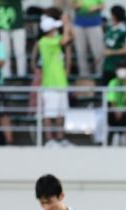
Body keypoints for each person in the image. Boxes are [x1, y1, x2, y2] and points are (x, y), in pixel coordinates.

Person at [31, 14, 73, 147]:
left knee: (61, 113)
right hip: (50, 83)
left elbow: (69, 37)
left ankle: (60, 139)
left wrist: (68, 24)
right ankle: (49, 140)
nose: (57, 30)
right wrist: (66, 24)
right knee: (49, 114)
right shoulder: (44, 41)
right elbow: (65, 39)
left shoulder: (56, 39)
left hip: (61, 82)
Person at [71, 1, 105, 76]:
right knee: (80, 52)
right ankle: (83, 74)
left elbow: (103, 6)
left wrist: (97, 7)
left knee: (98, 51)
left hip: (94, 24)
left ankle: (99, 73)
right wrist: (77, 6)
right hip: (79, 25)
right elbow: (72, 6)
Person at [0, 0, 27, 78]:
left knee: (20, 51)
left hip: (17, 22)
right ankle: (6, 75)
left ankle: (21, 75)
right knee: (5, 51)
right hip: (3, 21)